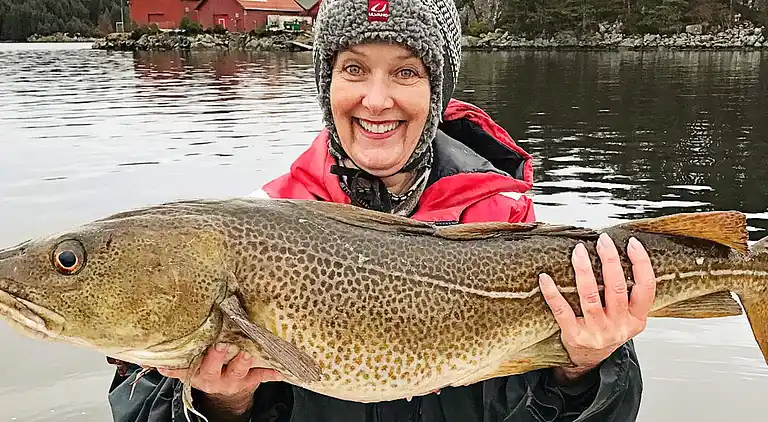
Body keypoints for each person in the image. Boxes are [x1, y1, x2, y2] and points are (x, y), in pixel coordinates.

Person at [107, 0, 657, 420]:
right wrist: (222, 406)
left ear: (437, 92)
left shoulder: (509, 230)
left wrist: (584, 370)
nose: (375, 99)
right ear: (326, 83)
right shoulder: (249, 228)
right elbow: (137, 403)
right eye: (353, 69)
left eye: (405, 71)